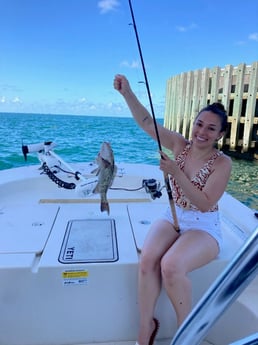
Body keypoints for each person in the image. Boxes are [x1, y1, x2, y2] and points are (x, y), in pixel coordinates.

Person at [113, 74, 232, 345]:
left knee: (171, 266)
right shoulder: (180, 145)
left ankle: (187, 332)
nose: (201, 132)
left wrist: (176, 173)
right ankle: (146, 327)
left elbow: (204, 203)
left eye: (211, 129)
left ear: (221, 134)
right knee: (147, 261)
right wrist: (127, 93)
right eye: (199, 124)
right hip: (173, 215)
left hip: (204, 226)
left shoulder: (222, 164)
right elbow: (147, 124)